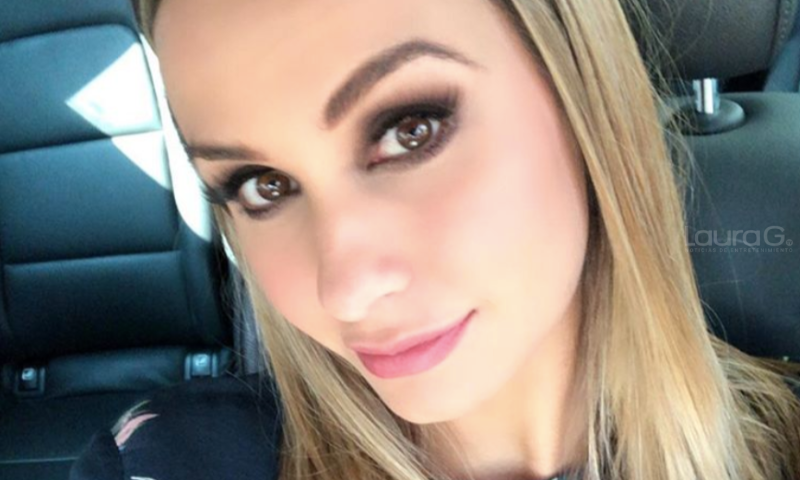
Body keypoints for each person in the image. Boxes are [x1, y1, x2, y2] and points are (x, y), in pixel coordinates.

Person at [71, 0, 800, 479]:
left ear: (583, 90)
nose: (346, 290)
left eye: (410, 130)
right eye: (263, 185)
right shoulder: (167, 463)